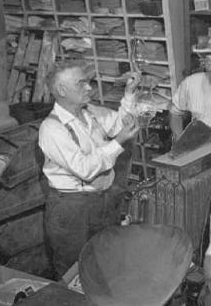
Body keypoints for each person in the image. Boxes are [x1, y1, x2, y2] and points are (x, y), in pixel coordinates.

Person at [38, 60, 140, 278]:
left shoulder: (91, 112)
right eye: (81, 83)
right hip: (71, 208)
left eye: (87, 82)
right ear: (62, 90)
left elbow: (123, 124)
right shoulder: (51, 128)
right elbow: (84, 169)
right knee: (73, 270)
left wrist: (129, 93)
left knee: (104, 261)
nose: (89, 88)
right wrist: (118, 142)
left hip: (101, 201)